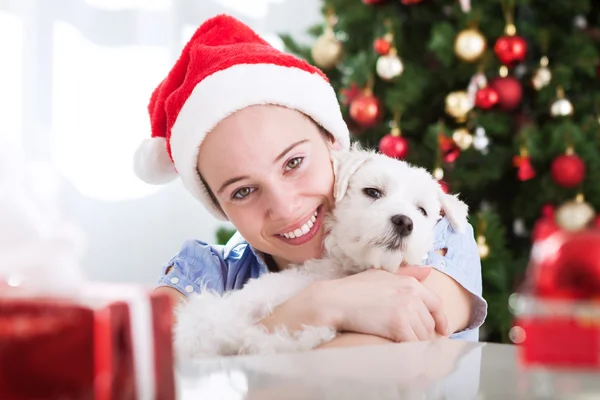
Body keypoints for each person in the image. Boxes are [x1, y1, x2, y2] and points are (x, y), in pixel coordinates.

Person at [134, 14, 487, 348]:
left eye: (294, 163)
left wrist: (247, 338)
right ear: (218, 205)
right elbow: (143, 360)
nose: (285, 207)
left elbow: (385, 360)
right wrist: (317, 306)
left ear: (334, 144)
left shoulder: (434, 233)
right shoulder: (205, 272)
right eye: (242, 191)